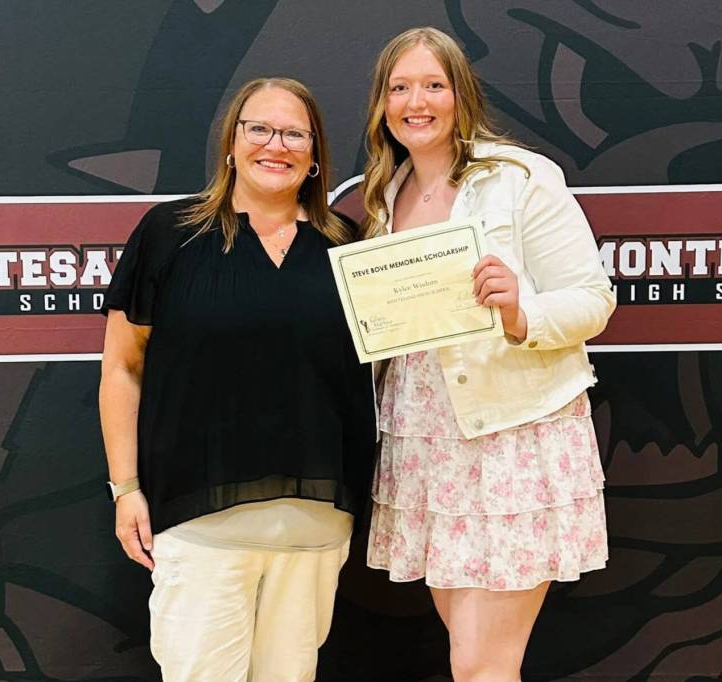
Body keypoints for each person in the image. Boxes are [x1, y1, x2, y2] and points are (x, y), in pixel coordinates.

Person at [360, 27, 616, 682]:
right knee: (478, 663)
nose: (417, 101)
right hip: (426, 449)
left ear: (460, 94)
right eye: (401, 87)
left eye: (434, 85)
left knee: (480, 666)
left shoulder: (521, 177)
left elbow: (593, 300)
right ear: (382, 103)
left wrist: (519, 310)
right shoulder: (383, 195)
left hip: (514, 446)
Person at [99, 77, 375, 682]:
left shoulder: (351, 247)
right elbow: (122, 366)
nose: (276, 145)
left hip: (316, 527)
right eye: (259, 128)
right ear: (231, 142)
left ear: (316, 154)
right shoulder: (170, 235)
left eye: (294, 133)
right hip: (200, 525)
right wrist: (125, 489)